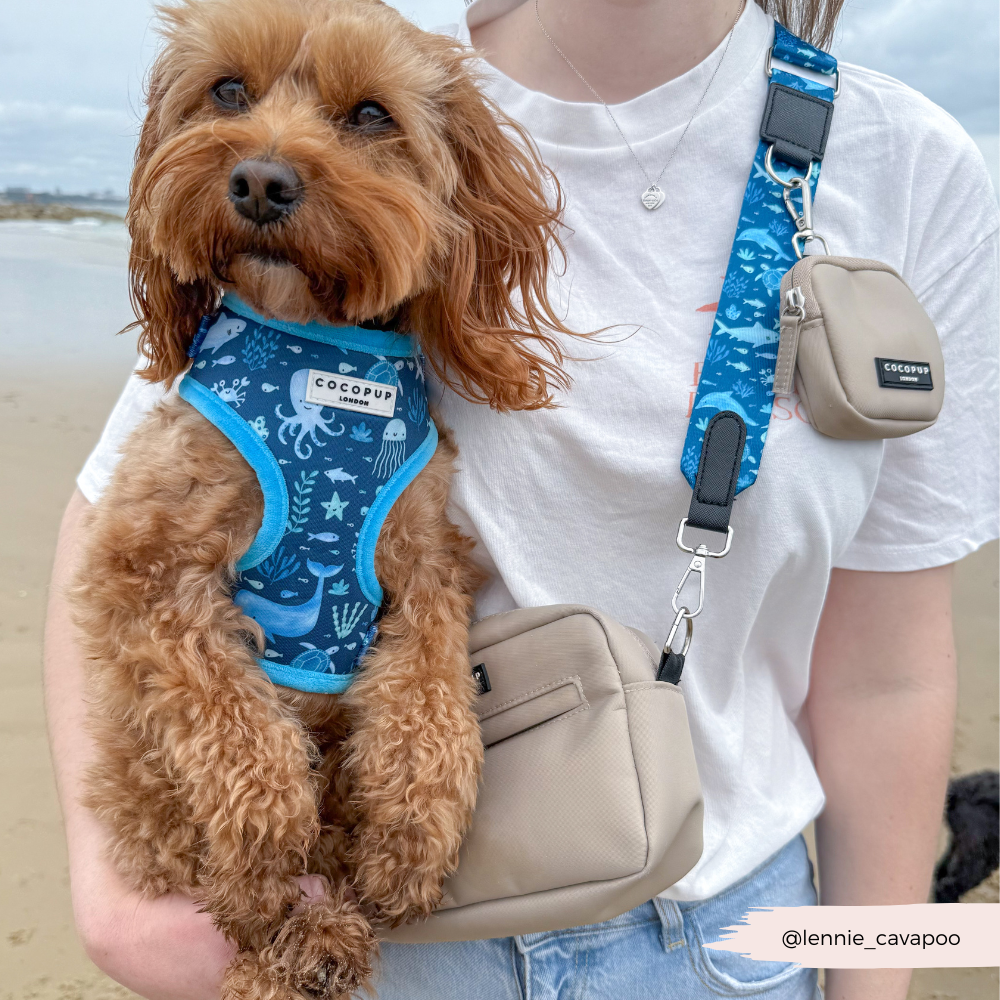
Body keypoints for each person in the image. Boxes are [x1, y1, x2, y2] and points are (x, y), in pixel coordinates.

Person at [44, 0, 999, 998]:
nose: (275, 150)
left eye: (364, 120)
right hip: (366, 937)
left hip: (728, 943)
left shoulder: (910, 165)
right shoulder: (370, 51)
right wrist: (114, 903)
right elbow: (122, 528)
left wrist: (874, 975)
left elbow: (884, 676)